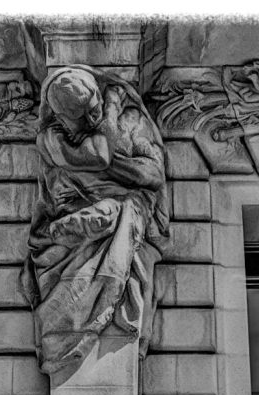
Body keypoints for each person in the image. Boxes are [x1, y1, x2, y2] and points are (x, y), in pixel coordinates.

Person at [20, 66, 169, 376]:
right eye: (82, 117)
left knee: (119, 216)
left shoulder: (132, 121)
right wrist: (111, 111)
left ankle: (99, 218)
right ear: (61, 118)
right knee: (66, 292)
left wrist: (104, 169)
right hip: (70, 224)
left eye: (95, 108)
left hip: (125, 210)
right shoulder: (51, 137)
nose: (92, 119)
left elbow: (153, 175)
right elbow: (101, 156)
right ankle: (90, 221)